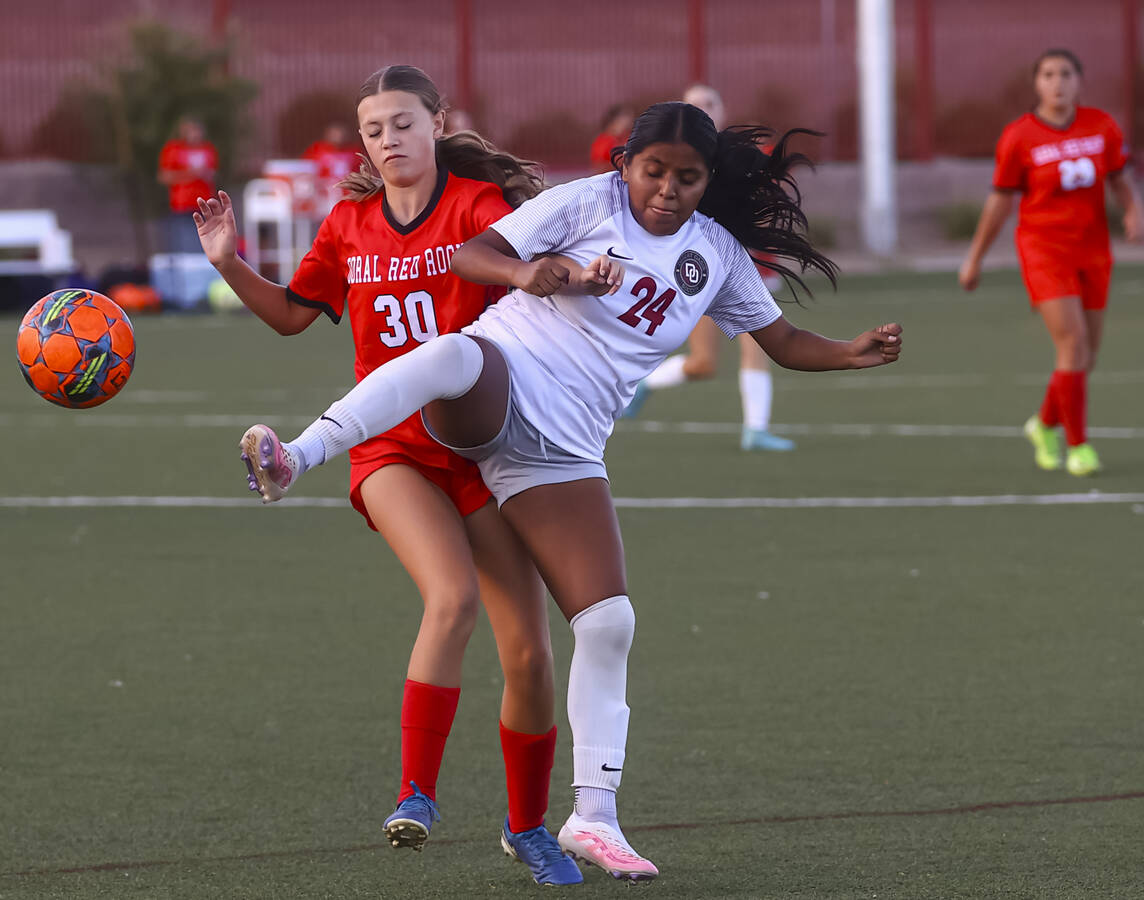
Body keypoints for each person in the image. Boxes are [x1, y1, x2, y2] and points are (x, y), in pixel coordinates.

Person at [241, 101, 903, 881]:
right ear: (627, 164)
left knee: (610, 621)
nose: (666, 188)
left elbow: (782, 342)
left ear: (706, 180)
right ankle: (298, 455)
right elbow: (472, 254)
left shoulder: (716, 254)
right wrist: (529, 272)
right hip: (498, 383)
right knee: (454, 352)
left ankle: (593, 817)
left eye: (686, 177)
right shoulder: (589, 200)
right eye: (653, 170)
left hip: (562, 450)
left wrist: (851, 354)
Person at [194, 65, 581, 886]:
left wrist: (584, 275)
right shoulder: (347, 225)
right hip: (389, 449)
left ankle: (528, 828)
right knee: (453, 598)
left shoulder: (481, 212)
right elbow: (294, 316)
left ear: (437, 123)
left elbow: (546, 283)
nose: (388, 140)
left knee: (532, 655)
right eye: (373, 129)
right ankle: (416, 794)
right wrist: (229, 262)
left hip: (483, 450)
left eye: (402, 123)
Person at [960, 48, 1142, 476]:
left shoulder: (1101, 126)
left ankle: (1043, 425)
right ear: (1036, 83)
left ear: (1080, 80)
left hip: (1093, 250)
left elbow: (1120, 176)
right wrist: (974, 259)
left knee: (1086, 356)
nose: (1057, 82)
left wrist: (1133, 210)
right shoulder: (1019, 136)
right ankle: (1078, 447)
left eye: (1066, 74)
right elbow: (1000, 203)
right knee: (1072, 345)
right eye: (1048, 74)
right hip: (1044, 250)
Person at [624, 83, 795, 451]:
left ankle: (755, 429)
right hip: (696, 272)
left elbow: (769, 207)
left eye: (711, 103)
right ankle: (645, 384)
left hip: (747, 268)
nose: (705, 108)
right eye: (696, 104)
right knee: (703, 364)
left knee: (759, 345)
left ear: (723, 109)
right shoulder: (672, 163)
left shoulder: (747, 159)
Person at [158, 117, 219, 254]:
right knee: (185, 247)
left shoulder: (208, 149)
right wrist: (191, 174)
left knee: (205, 246)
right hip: (183, 205)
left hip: (205, 205)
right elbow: (164, 176)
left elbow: (213, 172)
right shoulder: (174, 149)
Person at [589, 103, 634, 174]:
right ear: (614, 121)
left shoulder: (628, 138)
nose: (629, 123)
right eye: (624, 120)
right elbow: (599, 166)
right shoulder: (604, 141)